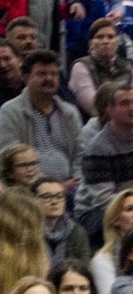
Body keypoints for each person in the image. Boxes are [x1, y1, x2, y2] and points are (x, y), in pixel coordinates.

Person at [79, 83, 133, 225]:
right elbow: (104, 200)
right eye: (125, 103)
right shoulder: (98, 147)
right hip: (96, 214)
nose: (132, 108)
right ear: (111, 110)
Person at [0, 49, 82, 203]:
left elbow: (80, 154)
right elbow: (9, 160)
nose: (49, 78)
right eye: (41, 74)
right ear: (26, 78)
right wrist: (53, 187)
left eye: (53, 74)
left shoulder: (70, 112)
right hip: (27, 192)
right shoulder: (10, 112)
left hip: (71, 190)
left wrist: (77, 181)